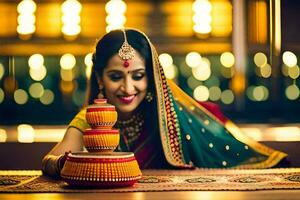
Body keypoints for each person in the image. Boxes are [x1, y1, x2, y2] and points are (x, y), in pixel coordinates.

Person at [42, 28, 288, 177]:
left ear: (152, 77)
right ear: (99, 78)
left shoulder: (166, 114)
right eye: (116, 76)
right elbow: (51, 160)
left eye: (138, 76)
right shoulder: (90, 119)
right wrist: (66, 162)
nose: (128, 88)